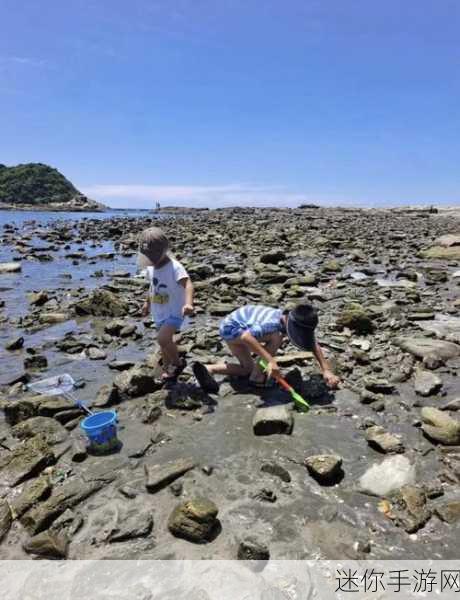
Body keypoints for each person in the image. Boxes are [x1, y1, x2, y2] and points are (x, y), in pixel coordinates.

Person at [192, 303, 340, 393]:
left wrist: (326, 369)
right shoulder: (273, 324)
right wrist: (270, 361)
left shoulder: (287, 319)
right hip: (232, 328)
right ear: (289, 321)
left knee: (246, 369)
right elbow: (246, 337)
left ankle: (210, 369)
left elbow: (313, 343)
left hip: (236, 327)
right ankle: (257, 376)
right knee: (277, 336)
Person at [138, 226, 194, 382]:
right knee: (164, 345)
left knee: (162, 339)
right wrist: (146, 304)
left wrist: (188, 303)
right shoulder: (151, 268)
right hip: (159, 312)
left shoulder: (175, 267)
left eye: (154, 255)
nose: (152, 259)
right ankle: (167, 368)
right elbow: (152, 287)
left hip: (175, 311)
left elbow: (188, 284)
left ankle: (178, 363)